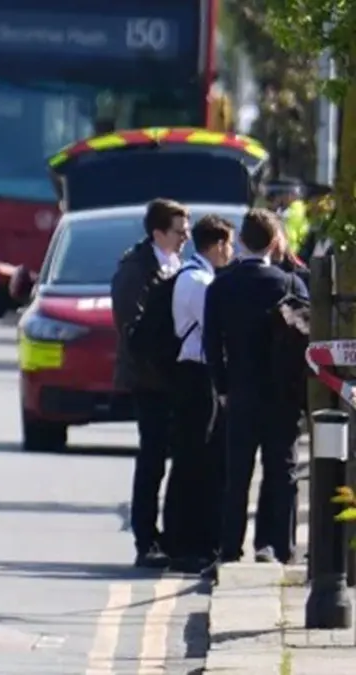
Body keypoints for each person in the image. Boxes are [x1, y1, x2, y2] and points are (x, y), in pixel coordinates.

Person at [205, 208, 308, 566]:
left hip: (241, 390)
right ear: (275, 241)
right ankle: (275, 546)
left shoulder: (221, 285)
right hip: (283, 393)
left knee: (238, 474)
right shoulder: (290, 285)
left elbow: (211, 343)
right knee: (281, 471)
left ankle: (229, 548)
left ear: (243, 241)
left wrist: (222, 387)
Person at [109, 198, 190, 568]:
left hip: (173, 377)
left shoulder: (174, 263)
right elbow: (133, 330)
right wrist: (163, 367)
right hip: (151, 378)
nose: (185, 235)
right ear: (158, 232)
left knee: (174, 456)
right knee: (152, 457)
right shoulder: (136, 269)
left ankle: (171, 534)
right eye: (179, 229)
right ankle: (145, 536)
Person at [164, 214, 235, 573]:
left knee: (200, 458)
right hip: (195, 375)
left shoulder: (197, 276)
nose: (232, 252)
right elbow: (216, 330)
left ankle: (189, 539)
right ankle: (183, 542)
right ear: (218, 245)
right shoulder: (200, 281)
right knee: (193, 460)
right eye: (229, 244)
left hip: (197, 373)